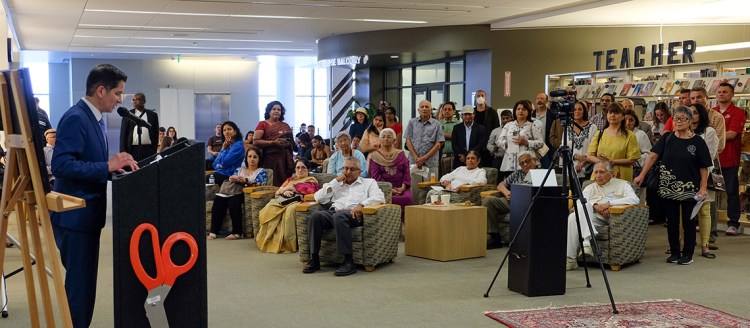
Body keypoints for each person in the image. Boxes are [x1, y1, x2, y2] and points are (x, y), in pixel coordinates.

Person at [51, 63, 138, 327]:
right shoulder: (77, 117)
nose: (120, 100)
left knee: (84, 285)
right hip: (74, 216)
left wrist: (113, 163)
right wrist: (106, 166)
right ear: (101, 90)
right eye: (118, 93)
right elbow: (61, 164)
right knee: (80, 287)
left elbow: (88, 162)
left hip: (86, 216)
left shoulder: (94, 118)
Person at [635, 106, 711, 265]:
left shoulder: (698, 141)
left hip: (690, 188)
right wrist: (642, 175)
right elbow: (652, 156)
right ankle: (675, 252)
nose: (678, 121)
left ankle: (688, 253)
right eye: (676, 118)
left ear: (690, 121)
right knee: (672, 221)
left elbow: (704, 167)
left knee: (689, 222)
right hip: (668, 187)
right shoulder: (667, 137)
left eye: (682, 118)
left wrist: (703, 187)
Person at [303, 157, 385, 276]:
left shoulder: (369, 183)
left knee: (339, 217)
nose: (348, 172)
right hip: (335, 212)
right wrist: (336, 181)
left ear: (359, 171)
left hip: (354, 214)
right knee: (316, 216)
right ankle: (314, 258)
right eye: (345, 168)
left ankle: (348, 261)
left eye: (352, 169)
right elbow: (319, 198)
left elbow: (379, 197)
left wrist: (362, 204)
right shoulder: (336, 184)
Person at [566, 161, 639, 271]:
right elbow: (580, 203)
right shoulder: (590, 187)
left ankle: (574, 256)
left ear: (611, 173)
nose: (598, 175)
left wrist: (610, 204)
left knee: (577, 214)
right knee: (575, 213)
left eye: (602, 172)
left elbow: (635, 199)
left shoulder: (622, 184)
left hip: (610, 218)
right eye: (596, 172)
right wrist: (595, 206)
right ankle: (584, 245)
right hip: (591, 216)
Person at [210, 122, 260, 240]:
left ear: (235, 131)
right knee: (219, 200)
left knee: (232, 201)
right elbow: (214, 163)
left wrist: (220, 164)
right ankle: (214, 231)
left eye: (229, 129)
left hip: (235, 182)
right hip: (227, 181)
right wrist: (223, 149)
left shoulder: (237, 145)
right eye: (224, 130)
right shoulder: (226, 146)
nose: (226, 131)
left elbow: (225, 163)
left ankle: (237, 232)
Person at [256, 159, 318, 253]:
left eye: (303, 168)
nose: (300, 170)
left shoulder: (311, 180)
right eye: (298, 168)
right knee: (268, 208)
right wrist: (285, 191)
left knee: (289, 211)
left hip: (299, 201)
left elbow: (311, 190)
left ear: (308, 169)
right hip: (282, 200)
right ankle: (267, 239)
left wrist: (291, 188)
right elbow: (278, 191)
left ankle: (288, 244)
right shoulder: (290, 180)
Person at [482, 150, 537, 249]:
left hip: (527, 204)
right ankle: (494, 236)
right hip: (511, 201)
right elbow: (500, 185)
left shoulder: (541, 174)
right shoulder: (518, 173)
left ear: (535, 161)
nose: (525, 164)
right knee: (489, 200)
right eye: (522, 163)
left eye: (528, 161)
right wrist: (507, 192)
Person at [714, 82, 746, 236]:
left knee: (732, 192)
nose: (721, 94)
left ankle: (733, 223)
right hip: (712, 159)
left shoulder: (738, 112)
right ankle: (709, 222)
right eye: (719, 92)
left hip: (729, 159)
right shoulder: (711, 112)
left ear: (732, 94)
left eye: (725, 92)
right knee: (710, 192)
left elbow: (732, 134)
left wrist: (712, 137)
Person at [690, 103, 718, 258]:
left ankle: (705, 246)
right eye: (690, 112)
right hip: (686, 176)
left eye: (695, 112)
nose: (692, 115)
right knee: (683, 212)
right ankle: (682, 244)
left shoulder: (709, 131)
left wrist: (703, 180)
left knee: (704, 211)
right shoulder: (683, 132)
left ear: (701, 115)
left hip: (704, 175)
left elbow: (710, 156)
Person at [586, 102, 640, 181]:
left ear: (622, 117)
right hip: (600, 175)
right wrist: (603, 162)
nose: (612, 115)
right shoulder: (600, 134)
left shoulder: (630, 136)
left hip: (621, 176)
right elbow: (590, 155)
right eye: (610, 112)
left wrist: (613, 162)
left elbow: (632, 159)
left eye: (616, 113)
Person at [405, 100, 445, 203]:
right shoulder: (412, 122)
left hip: (431, 163)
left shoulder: (437, 124)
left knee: (431, 190)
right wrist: (416, 157)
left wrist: (424, 158)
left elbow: (438, 144)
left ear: (431, 110)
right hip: (415, 163)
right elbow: (408, 141)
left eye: (427, 107)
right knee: (415, 190)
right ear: (418, 110)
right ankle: (416, 213)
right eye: (422, 107)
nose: (424, 109)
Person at [549, 101, 597, 181]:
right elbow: (562, 149)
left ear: (584, 111)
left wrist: (582, 163)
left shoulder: (592, 127)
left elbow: (594, 149)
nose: (577, 112)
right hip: (569, 169)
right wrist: (575, 156)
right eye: (574, 110)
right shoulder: (567, 127)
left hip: (586, 169)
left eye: (580, 109)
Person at [368, 128, 412, 211]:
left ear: (394, 140)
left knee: (408, 198)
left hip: (401, 188)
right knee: (385, 199)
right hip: (382, 189)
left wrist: (402, 187)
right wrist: (390, 189)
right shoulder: (375, 156)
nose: (386, 139)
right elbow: (376, 177)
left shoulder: (401, 154)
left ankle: (407, 222)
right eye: (383, 137)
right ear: (380, 139)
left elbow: (406, 174)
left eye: (389, 137)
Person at [497, 100, 544, 179]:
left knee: (525, 188)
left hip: (526, 164)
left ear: (528, 112)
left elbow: (541, 143)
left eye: (524, 109)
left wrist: (526, 142)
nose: (520, 111)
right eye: (518, 109)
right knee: (510, 187)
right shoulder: (509, 125)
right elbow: (499, 141)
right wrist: (507, 143)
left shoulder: (532, 125)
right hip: (510, 163)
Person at [254, 100, 295, 186]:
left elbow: (292, 143)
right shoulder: (263, 124)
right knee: (272, 181)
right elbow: (256, 141)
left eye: (279, 110)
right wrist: (273, 143)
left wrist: (287, 144)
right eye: (274, 109)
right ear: (269, 111)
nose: (276, 111)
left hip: (284, 160)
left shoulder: (285, 125)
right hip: (269, 159)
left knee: (284, 182)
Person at [118, 92, 159, 161]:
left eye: (138, 99)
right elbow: (123, 134)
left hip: (148, 149)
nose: (135, 101)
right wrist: (123, 152)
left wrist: (154, 149)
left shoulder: (153, 115)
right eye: (133, 100)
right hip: (132, 149)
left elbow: (156, 132)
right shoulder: (128, 115)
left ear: (144, 101)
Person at [451, 105, 487, 169]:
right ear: (462, 116)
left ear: (474, 115)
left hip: (474, 159)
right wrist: (460, 155)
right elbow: (454, 143)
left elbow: (481, 143)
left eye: (470, 114)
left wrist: (470, 155)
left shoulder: (480, 128)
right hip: (459, 160)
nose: (467, 116)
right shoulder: (456, 128)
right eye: (465, 114)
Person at [472, 90, 499, 165]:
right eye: (478, 96)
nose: (480, 97)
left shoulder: (492, 112)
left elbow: (496, 127)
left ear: (485, 98)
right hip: (475, 144)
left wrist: (494, 144)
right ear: (475, 98)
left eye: (482, 95)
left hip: (488, 144)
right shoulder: (472, 112)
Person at [623, 109, 651, 174]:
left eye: (631, 120)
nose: (628, 123)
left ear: (635, 122)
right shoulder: (618, 134)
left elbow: (648, 154)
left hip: (636, 170)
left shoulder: (641, 134)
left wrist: (635, 161)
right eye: (625, 120)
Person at [533, 92, 556, 168]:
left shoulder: (552, 114)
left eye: (542, 98)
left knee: (547, 171)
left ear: (546, 101)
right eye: (538, 98)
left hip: (546, 149)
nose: (539, 100)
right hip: (533, 149)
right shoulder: (531, 115)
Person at [439, 101, 460, 175]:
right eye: (445, 109)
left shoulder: (459, 124)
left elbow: (459, 137)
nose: (447, 111)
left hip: (456, 157)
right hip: (441, 157)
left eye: (449, 109)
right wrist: (451, 136)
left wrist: (443, 135)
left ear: (454, 111)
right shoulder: (437, 124)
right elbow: (436, 137)